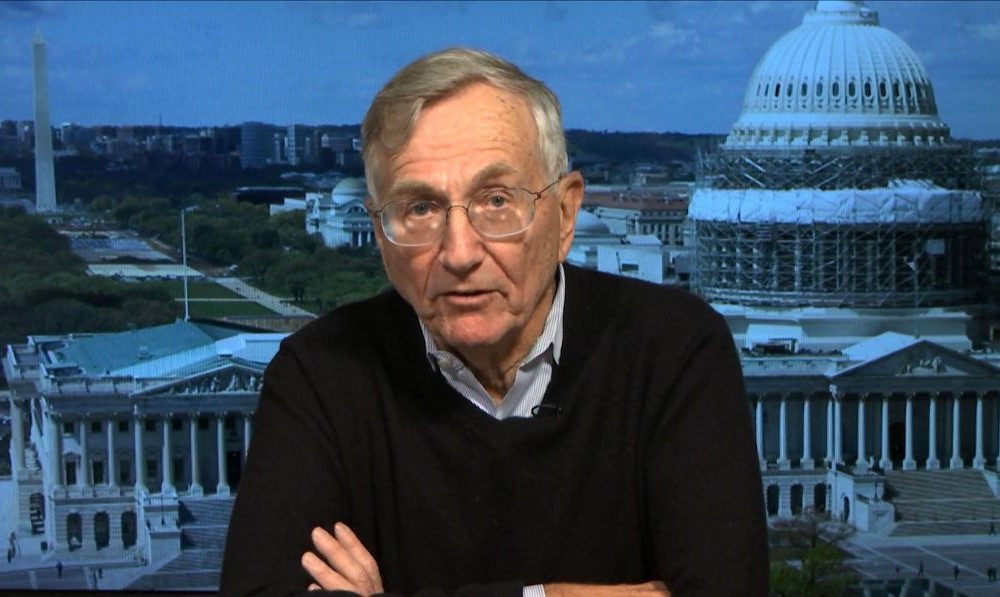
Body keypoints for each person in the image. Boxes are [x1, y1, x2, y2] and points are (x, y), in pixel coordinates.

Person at [221, 47, 768, 596]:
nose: (460, 253)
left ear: (565, 215)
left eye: (497, 201)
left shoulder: (675, 349)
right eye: (420, 208)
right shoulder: (320, 373)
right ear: (381, 235)